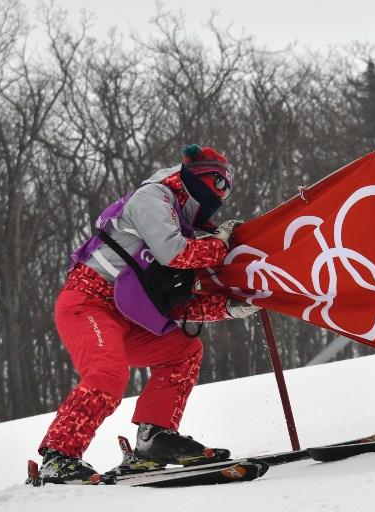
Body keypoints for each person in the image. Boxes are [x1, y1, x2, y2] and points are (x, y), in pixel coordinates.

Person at [38, 144, 259, 484]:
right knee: (108, 375)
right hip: (90, 302)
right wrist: (220, 243)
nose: (221, 194)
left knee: (183, 350)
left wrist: (230, 307)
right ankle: (59, 456)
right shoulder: (154, 198)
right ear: (196, 179)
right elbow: (175, 254)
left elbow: (174, 303)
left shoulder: (182, 228)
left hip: (128, 316)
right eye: (218, 183)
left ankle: (155, 438)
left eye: (227, 187)